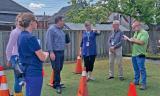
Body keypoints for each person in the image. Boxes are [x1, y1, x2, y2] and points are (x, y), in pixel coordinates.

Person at [18, 13, 48, 96]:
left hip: (27, 71)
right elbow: (42, 58)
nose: (37, 23)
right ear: (31, 22)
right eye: (36, 21)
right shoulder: (31, 38)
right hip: (34, 72)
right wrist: (46, 53)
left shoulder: (21, 36)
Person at [45, 16, 70, 94]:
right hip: (55, 52)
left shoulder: (61, 30)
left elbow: (64, 41)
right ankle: (57, 85)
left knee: (60, 68)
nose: (64, 22)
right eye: (63, 21)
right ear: (59, 21)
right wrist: (51, 52)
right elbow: (48, 41)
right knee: (57, 68)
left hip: (61, 52)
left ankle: (55, 82)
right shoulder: (51, 29)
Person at [124, 21, 149, 90]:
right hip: (134, 54)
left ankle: (144, 84)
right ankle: (136, 81)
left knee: (142, 69)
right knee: (136, 69)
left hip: (140, 54)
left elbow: (141, 42)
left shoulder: (144, 33)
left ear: (138, 26)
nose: (133, 29)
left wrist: (133, 40)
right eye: (133, 27)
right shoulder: (136, 33)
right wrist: (128, 40)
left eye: (134, 27)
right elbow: (134, 43)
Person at [6, 13, 24, 96]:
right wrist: (9, 59)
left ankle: (15, 93)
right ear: (16, 22)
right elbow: (9, 47)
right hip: (16, 58)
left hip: (22, 58)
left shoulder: (23, 32)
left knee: (20, 78)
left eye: (23, 21)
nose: (21, 23)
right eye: (19, 21)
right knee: (19, 78)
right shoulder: (15, 32)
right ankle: (17, 94)